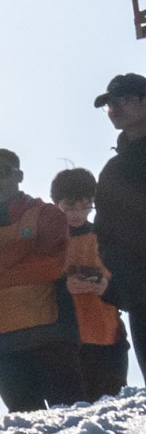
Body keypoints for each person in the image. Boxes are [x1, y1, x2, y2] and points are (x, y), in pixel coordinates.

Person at [0, 148, 83, 412]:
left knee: (72, 420)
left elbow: (53, 266)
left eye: (0, 172)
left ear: (19, 175)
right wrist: (24, 251)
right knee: (27, 431)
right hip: (3, 345)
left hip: (51, 339)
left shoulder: (48, 215)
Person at [51, 166, 128, 399]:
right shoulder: (49, 244)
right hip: (67, 342)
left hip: (110, 338)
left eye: (86, 205)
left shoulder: (106, 238)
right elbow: (37, 286)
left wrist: (107, 287)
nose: (77, 213)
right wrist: (64, 286)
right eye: (70, 206)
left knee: (113, 413)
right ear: (56, 204)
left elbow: (128, 285)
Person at [90, 75, 146, 322]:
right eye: (110, 104)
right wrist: (124, 288)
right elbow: (105, 234)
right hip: (140, 298)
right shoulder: (114, 170)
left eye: (124, 99)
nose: (115, 109)